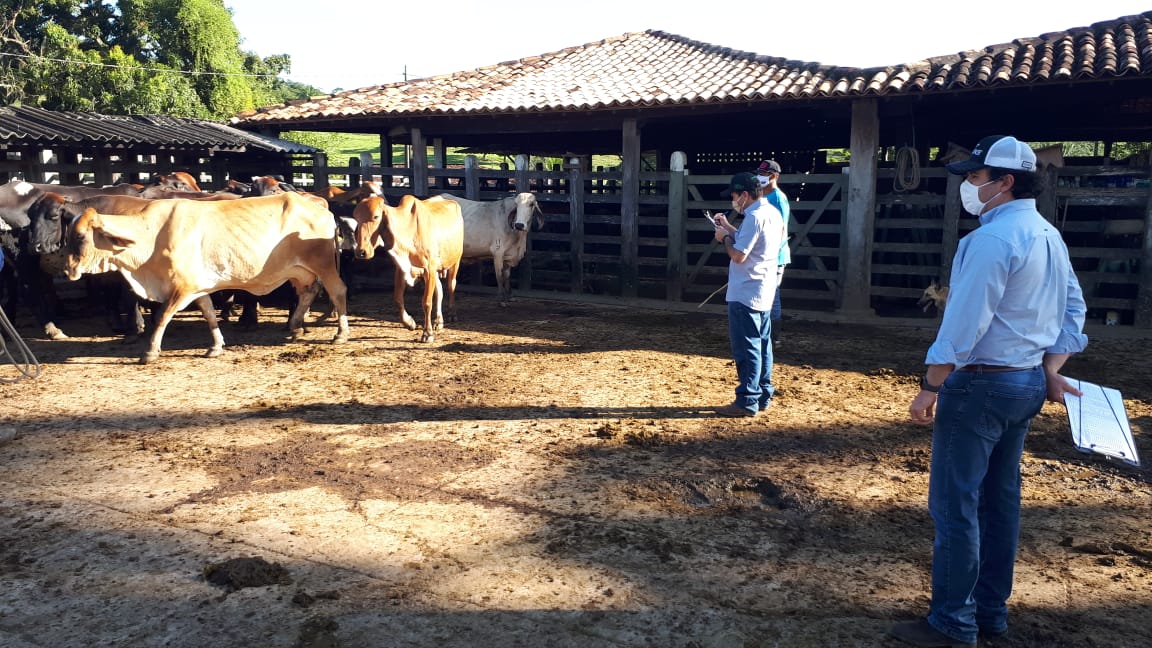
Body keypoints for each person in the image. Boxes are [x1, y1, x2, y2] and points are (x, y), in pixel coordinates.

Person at [889, 135, 1088, 648]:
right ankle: (990, 612)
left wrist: (931, 384)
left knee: (956, 506)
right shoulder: (1047, 235)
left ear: (1004, 182)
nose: (969, 186)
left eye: (976, 178)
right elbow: (1073, 310)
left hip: (979, 383)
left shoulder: (989, 242)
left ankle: (953, 622)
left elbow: (963, 322)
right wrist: (1050, 368)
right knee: (1000, 503)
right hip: (1023, 382)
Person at [712, 172, 785, 417]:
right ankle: (763, 393)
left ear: (744, 194)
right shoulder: (771, 213)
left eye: (734, 196)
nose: (733, 201)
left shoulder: (754, 217)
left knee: (746, 347)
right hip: (764, 289)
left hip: (745, 291)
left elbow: (739, 255)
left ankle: (746, 399)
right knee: (763, 345)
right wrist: (729, 228)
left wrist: (723, 238)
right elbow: (750, 243)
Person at [755, 160, 791, 346]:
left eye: (765, 174)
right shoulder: (762, 196)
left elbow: (781, 228)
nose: (761, 177)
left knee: (772, 295)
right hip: (765, 253)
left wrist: (771, 253)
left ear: (774, 176)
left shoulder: (778, 198)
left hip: (774, 255)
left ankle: (773, 337)